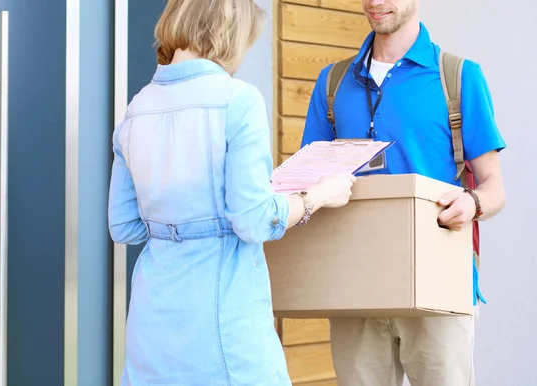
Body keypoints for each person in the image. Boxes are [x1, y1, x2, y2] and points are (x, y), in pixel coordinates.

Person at [107, 0, 356, 384]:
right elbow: (254, 219)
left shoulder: (135, 110)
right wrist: (317, 196)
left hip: (152, 323)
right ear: (227, 32)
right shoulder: (237, 100)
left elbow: (124, 227)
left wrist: (176, 223)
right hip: (224, 319)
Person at [300, 0, 507, 385]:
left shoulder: (458, 76)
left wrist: (472, 202)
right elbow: (308, 180)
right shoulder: (332, 83)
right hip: (353, 283)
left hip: (439, 281)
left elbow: (495, 188)